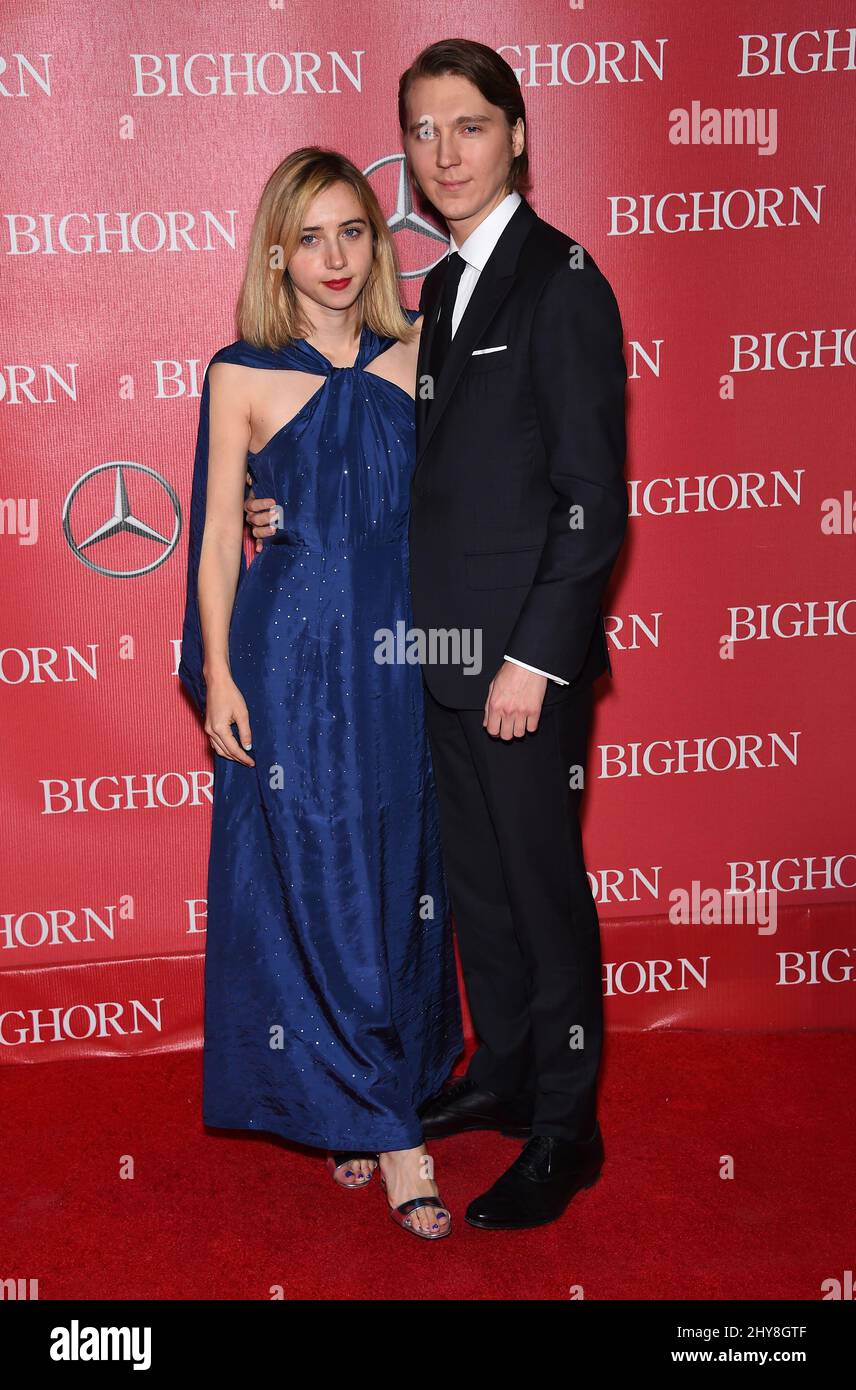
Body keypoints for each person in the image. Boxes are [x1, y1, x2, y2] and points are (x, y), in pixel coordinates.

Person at [247, 41, 629, 1232]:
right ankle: (507, 1075)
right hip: (435, 662)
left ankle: (567, 1127)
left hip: (520, 664)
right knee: (481, 895)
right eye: (422, 131)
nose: (444, 152)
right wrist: (287, 506)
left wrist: (533, 658)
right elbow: (417, 473)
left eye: (468, 126)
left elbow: (590, 498)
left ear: (516, 133)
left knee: (543, 895)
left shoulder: (561, 279)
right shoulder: (443, 290)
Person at [178, 146, 464, 1240]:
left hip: (401, 650)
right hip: (289, 653)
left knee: (398, 873)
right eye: (310, 237)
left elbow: (466, 497)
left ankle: (363, 1097)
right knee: (312, 880)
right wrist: (217, 679)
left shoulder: (422, 353)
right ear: (276, 254)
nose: (336, 257)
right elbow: (214, 544)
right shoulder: (239, 372)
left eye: (354, 231)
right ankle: (395, 1134)